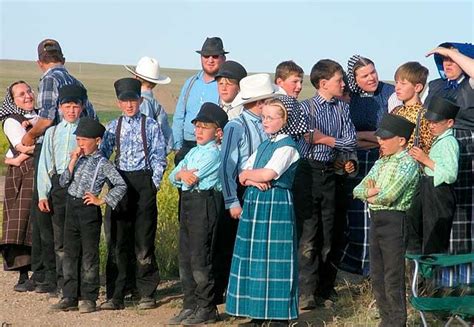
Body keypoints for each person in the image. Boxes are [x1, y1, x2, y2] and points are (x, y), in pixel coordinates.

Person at [21, 39, 97, 295]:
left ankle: (47, 276)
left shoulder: (48, 80)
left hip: (53, 146)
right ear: (63, 59)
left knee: (45, 214)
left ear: (40, 62)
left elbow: (46, 119)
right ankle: (63, 278)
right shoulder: (78, 83)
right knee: (67, 220)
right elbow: (93, 119)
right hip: (79, 149)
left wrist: (29, 136)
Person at [226, 98, 300, 325]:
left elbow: (269, 174)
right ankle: (257, 313)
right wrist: (249, 177)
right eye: (263, 117)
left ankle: (279, 318)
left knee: (276, 259)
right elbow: (242, 173)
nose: (265, 121)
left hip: (276, 203)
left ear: (283, 120)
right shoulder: (265, 144)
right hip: (255, 203)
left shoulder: (287, 146)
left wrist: (250, 176)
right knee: (254, 256)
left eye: (270, 118)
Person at [293, 59, 357, 310]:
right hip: (308, 172)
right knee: (309, 232)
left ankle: (325, 289)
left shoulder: (343, 109)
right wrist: (332, 141)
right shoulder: (304, 109)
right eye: (339, 80)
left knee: (331, 232)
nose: (343, 84)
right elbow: (304, 143)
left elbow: (350, 141)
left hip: (332, 174)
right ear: (323, 83)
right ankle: (306, 291)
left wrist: (325, 140)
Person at [100, 78, 167, 310]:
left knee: (144, 239)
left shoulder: (151, 126)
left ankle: (146, 292)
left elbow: (160, 156)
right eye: (124, 100)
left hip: (144, 182)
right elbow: (102, 157)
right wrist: (109, 181)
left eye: (133, 100)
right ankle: (116, 294)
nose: (129, 105)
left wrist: (154, 184)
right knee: (118, 239)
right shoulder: (111, 127)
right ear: (118, 103)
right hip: (120, 183)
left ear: (140, 100)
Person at [50, 117, 126, 314]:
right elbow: (64, 182)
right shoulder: (78, 159)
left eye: (84, 140)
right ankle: (69, 295)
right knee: (70, 252)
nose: (80, 144)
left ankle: (89, 297)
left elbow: (120, 184)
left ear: (97, 141)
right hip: (71, 207)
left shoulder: (103, 163)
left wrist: (102, 200)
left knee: (89, 255)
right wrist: (73, 159)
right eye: (78, 140)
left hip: (88, 210)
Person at [353, 113, 419, 327]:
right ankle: (386, 319)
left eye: (385, 137)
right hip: (377, 219)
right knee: (378, 273)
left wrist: (371, 193)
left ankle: (397, 321)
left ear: (401, 140)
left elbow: (390, 195)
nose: (380, 140)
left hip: (395, 221)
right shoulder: (382, 162)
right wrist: (370, 192)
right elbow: (358, 189)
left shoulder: (408, 164)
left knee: (393, 275)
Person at [339, 55, 402, 276]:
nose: (372, 77)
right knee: (355, 212)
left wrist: (363, 137)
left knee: (378, 211)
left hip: (383, 161)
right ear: (354, 79)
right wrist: (374, 136)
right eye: (364, 75)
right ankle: (354, 266)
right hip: (355, 162)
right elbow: (346, 136)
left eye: (373, 72)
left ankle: (375, 267)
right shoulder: (349, 98)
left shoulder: (390, 94)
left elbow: (394, 134)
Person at [168, 103, 228, 325]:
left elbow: (192, 178)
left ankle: (207, 307)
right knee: (185, 256)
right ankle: (190, 304)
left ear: (217, 132)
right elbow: (173, 176)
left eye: (205, 127)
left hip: (205, 203)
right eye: (197, 126)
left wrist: (182, 174)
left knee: (200, 257)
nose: (199, 131)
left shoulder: (214, 154)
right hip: (189, 204)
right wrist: (181, 174)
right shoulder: (193, 151)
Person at [423, 42, 474, 287]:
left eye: (452, 59)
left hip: (468, 151)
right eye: (443, 60)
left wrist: (453, 52)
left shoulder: (471, 83)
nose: (447, 63)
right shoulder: (437, 87)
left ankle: (465, 284)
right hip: (439, 151)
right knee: (441, 214)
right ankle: (441, 285)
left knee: (465, 215)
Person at [36, 84, 87, 295]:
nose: (71, 110)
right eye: (67, 106)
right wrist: (42, 194)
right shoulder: (52, 132)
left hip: (81, 186)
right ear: (59, 107)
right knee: (60, 240)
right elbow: (45, 165)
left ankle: (82, 285)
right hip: (58, 188)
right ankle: (62, 285)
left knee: (82, 237)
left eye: (75, 106)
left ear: (82, 108)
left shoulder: (87, 131)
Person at [408, 96, 459, 254]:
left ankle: (432, 277)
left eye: (436, 123)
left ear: (449, 123)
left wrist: (425, 159)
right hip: (428, 188)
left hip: (439, 192)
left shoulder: (449, 142)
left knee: (434, 237)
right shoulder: (439, 141)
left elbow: (450, 174)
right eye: (429, 122)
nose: (431, 126)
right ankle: (421, 274)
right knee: (423, 231)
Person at [0, 81, 37, 292]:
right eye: (21, 94)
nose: (27, 96)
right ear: (13, 101)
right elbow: (22, 146)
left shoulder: (41, 116)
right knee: (20, 222)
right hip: (21, 177)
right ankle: (23, 275)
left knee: (38, 222)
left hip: (36, 173)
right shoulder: (11, 121)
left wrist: (13, 157)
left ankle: (40, 272)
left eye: (29, 91)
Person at [172, 37, 227, 165]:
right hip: (187, 145)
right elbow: (179, 116)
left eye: (215, 56)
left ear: (223, 59)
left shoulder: (225, 85)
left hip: (212, 147)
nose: (210, 60)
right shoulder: (191, 83)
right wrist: (178, 147)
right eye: (206, 56)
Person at [125, 56, 173, 153]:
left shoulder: (141, 103)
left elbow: (142, 133)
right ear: (155, 83)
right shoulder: (153, 103)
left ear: (136, 78)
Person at [391, 61, 433, 153]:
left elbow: (429, 148)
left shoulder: (424, 115)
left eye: (403, 83)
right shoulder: (396, 111)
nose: (397, 87)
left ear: (417, 87)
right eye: (396, 82)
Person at [274, 60, 307, 137]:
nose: (299, 86)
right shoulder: (285, 103)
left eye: (301, 82)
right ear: (280, 82)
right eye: (295, 81)